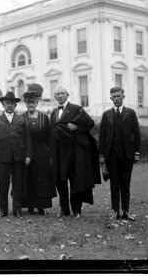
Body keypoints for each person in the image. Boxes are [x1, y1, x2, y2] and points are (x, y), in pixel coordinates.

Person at [49, 84, 100, 218]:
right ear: (55, 96)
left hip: (73, 152)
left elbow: (90, 123)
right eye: (57, 94)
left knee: (75, 180)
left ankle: (76, 210)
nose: (60, 96)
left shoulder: (77, 109)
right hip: (59, 153)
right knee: (60, 182)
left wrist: (77, 127)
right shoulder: (53, 113)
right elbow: (52, 133)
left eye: (62, 93)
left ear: (67, 95)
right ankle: (64, 209)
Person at [98, 87, 140, 221]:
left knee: (125, 183)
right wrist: (101, 156)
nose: (116, 99)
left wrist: (137, 152)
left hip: (127, 154)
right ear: (111, 98)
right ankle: (115, 211)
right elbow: (102, 136)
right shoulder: (106, 115)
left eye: (118, 96)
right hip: (111, 155)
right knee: (114, 183)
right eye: (113, 97)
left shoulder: (131, 113)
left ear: (123, 96)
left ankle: (126, 211)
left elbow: (137, 134)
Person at [0, 91, 32, 219]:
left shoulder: (21, 120)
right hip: (3, 158)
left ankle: (17, 210)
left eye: (12, 104)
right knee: (3, 185)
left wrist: (28, 155)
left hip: (18, 158)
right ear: (3, 105)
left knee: (18, 184)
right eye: (7, 103)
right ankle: (3, 210)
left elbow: (28, 139)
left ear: (15, 106)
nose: (10, 106)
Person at [21, 91, 57, 215]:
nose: (31, 105)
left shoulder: (44, 118)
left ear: (37, 103)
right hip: (27, 153)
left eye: (33, 102)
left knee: (41, 178)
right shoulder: (21, 118)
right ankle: (30, 206)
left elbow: (48, 137)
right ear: (26, 104)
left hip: (42, 152)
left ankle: (41, 206)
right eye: (28, 103)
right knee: (28, 178)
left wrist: (50, 153)